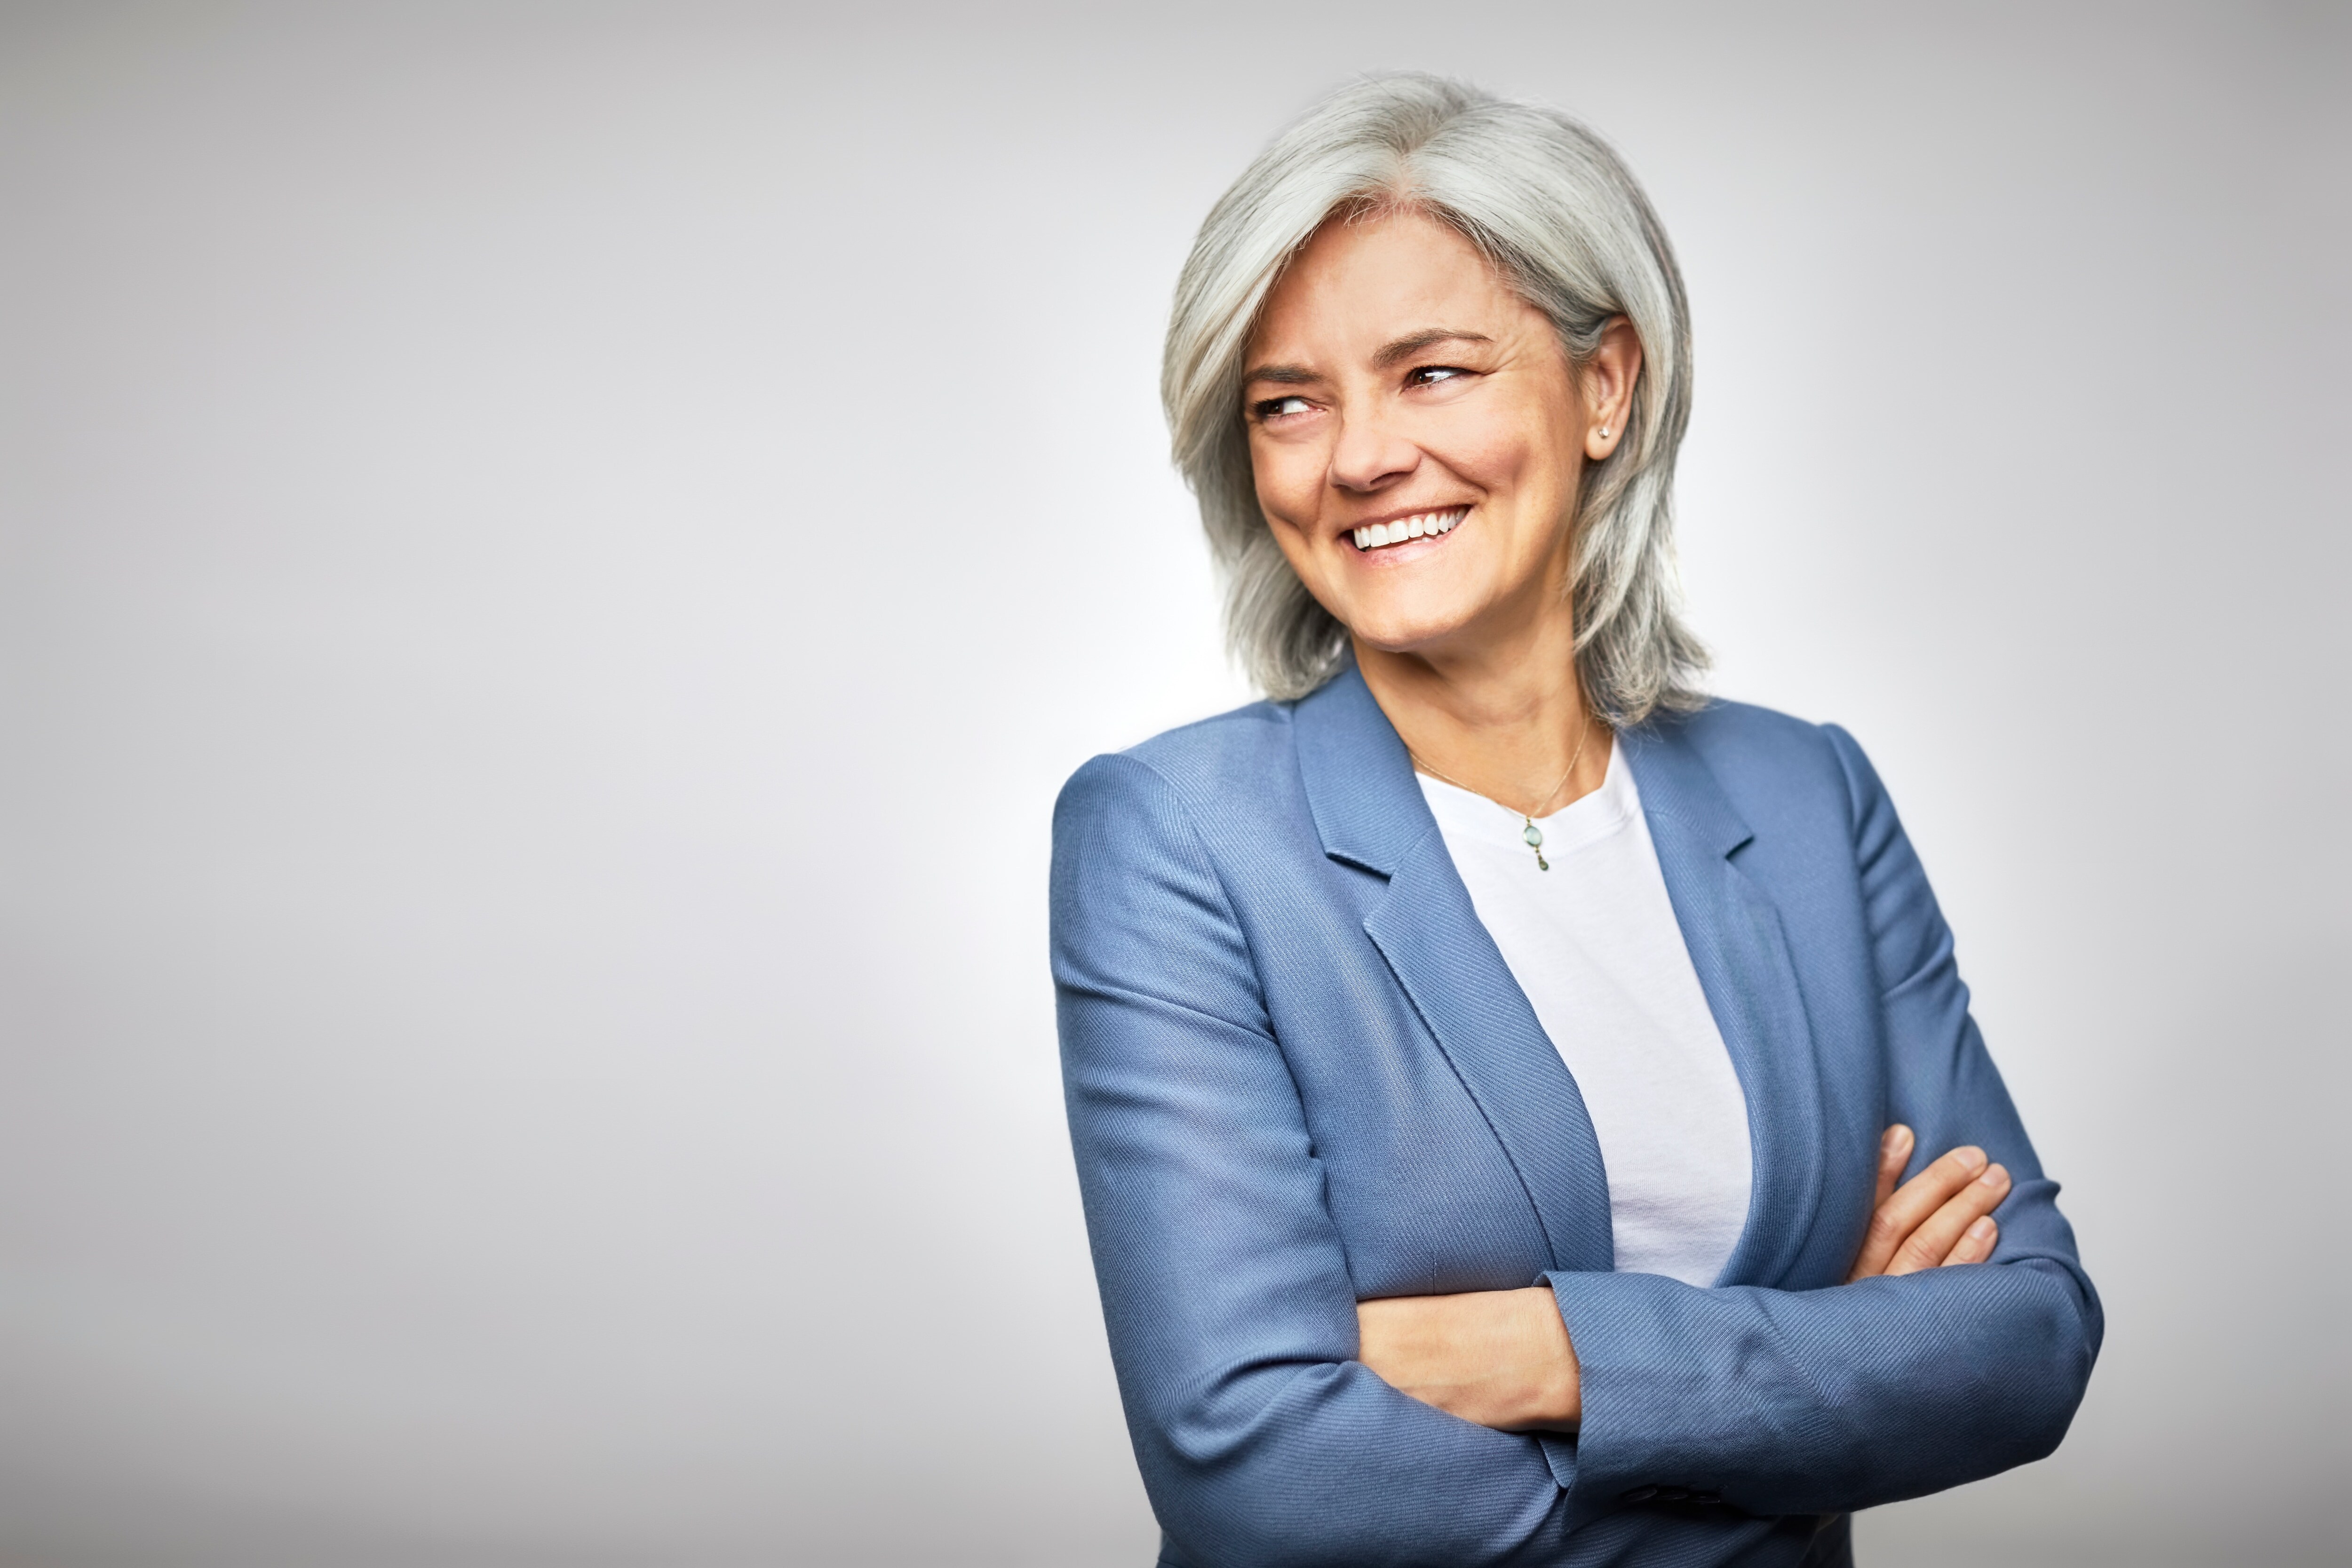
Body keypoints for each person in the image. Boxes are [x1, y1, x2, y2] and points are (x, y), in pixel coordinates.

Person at [1049, 74, 2098, 1568]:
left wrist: (1554, 1357)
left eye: (1434, 373)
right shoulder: (1172, 836)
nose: (1357, 458)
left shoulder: (1808, 797)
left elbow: (2030, 1334)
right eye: (1291, 402)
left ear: (1606, 388)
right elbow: (1260, 1472)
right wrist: (1805, 1393)